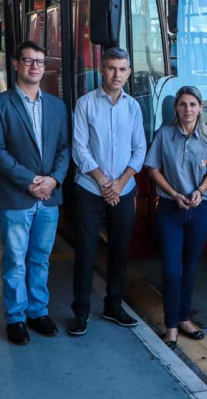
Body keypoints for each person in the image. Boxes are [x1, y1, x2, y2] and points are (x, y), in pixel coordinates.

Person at [0, 40, 70, 346]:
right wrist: (31, 180)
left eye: (40, 62)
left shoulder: (57, 106)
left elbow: (64, 148)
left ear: (45, 68)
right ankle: (16, 317)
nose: (34, 66)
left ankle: (38, 311)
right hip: (17, 196)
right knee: (16, 258)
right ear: (16, 64)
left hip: (49, 197)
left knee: (41, 258)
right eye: (28, 60)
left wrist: (54, 180)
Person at [68, 48, 146, 337]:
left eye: (122, 69)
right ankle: (81, 311)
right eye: (112, 68)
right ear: (102, 70)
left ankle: (113, 306)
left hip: (123, 190)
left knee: (119, 251)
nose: (117, 74)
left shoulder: (133, 107)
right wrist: (103, 182)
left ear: (128, 72)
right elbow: (80, 148)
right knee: (86, 253)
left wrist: (121, 182)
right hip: (90, 188)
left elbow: (140, 149)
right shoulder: (85, 104)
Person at [145, 86, 207, 348]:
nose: (188, 109)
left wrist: (200, 191)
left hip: (199, 213)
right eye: (183, 104)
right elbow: (153, 169)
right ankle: (172, 325)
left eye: (192, 104)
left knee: (189, 269)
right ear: (175, 108)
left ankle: (186, 318)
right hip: (170, 211)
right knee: (172, 270)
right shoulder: (164, 135)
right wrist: (175, 194)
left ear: (200, 108)